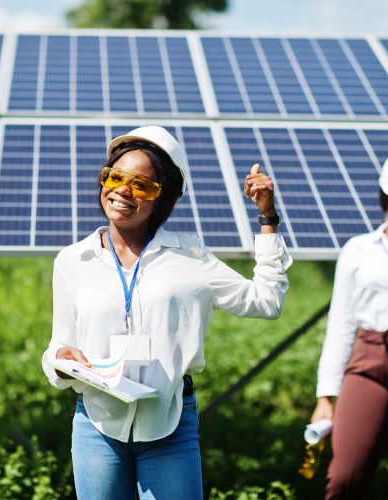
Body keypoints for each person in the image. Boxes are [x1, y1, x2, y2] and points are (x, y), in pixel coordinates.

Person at [42, 125, 292, 499]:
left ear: (165, 198)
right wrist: (60, 357)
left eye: (141, 185)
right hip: (96, 423)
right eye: (115, 177)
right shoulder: (73, 261)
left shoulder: (192, 258)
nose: (123, 191)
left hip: (170, 423)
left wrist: (268, 218)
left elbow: (267, 301)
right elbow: (59, 345)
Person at [311, 145, 388, 499]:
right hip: (369, 359)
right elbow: (341, 323)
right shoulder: (358, 249)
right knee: (346, 476)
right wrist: (326, 395)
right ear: (387, 202)